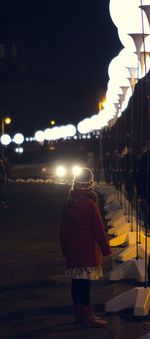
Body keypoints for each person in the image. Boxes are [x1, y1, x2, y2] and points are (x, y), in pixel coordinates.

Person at [60, 167, 111, 328]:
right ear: (90, 184)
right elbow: (98, 229)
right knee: (85, 285)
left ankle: (78, 314)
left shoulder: (67, 204)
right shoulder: (90, 205)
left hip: (74, 253)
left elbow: (62, 231)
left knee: (76, 283)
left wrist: (66, 251)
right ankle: (88, 316)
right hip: (88, 251)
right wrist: (106, 249)